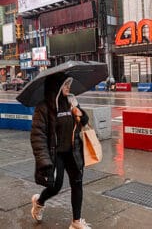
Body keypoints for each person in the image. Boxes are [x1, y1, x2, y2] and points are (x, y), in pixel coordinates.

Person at [30, 73, 91, 229]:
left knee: (77, 182)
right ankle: (39, 202)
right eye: (65, 84)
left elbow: (84, 122)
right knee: (56, 185)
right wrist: (43, 160)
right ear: (56, 87)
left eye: (69, 84)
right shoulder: (43, 108)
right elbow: (38, 136)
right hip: (55, 153)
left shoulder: (71, 101)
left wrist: (80, 114)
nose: (68, 87)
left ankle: (76, 221)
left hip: (72, 150)